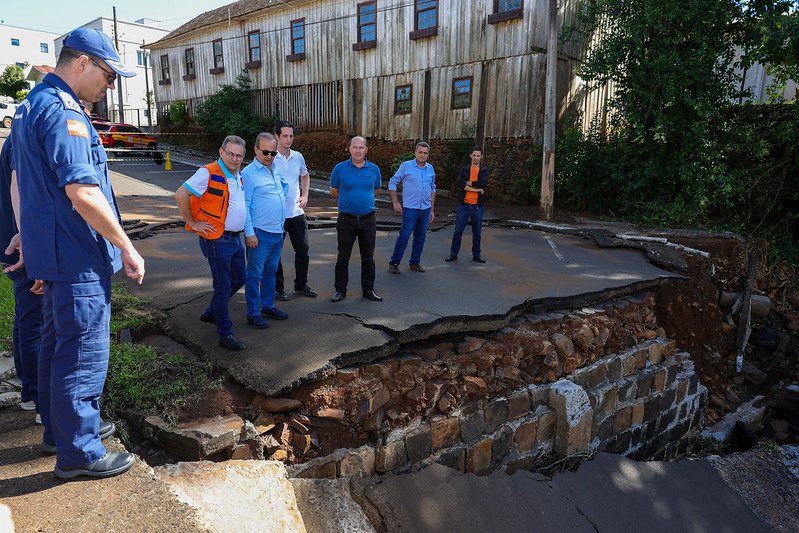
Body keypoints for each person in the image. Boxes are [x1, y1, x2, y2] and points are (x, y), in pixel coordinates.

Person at [7, 27, 144, 479]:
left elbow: (26, 183)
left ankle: (58, 431)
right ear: (83, 62)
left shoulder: (31, 106)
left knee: (55, 346)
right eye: (109, 76)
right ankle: (80, 452)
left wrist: (27, 236)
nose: (110, 86)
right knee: (81, 354)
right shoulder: (64, 112)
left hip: (54, 252)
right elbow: (82, 193)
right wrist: (126, 245)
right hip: (77, 256)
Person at [175, 136, 248, 351]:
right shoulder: (207, 172)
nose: (235, 159)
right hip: (217, 239)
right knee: (223, 287)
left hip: (234, 238)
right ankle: (225, 333)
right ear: (221, 152)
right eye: (231, 154)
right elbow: (180, 195)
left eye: (239, 155)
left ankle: (211, 313)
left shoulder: (237, 175)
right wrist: (193, 223)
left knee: (239, 278)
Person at [0, 134, 43, 422]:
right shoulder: (22, 140)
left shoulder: (15, 138)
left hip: (15, 244)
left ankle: (29, 392)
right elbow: (21, 193)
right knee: (35, 324)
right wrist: (28, 242)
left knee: (25, 321)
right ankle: (40, 399)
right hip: (23, 248)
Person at [242, 133, 289, 328]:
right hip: (259, 233)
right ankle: (253, 312)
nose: (269, 156)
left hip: (277, 232)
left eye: (273, 153)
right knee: (255, 275)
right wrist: (249, 232)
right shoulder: (249, 173)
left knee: (271, 272)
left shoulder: (275, 169)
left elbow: (284, 188)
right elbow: (244, 205)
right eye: (266, 152)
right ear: (255, 150)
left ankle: (268, 306)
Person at [329, 136, 383, 302]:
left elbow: (376, 190)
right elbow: (334, 191)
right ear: (349, 149)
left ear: (366, 150)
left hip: (368, 220)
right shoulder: (339, 168)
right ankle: (340, 290)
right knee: (343, 256)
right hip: (346, 220)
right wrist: (350, 200)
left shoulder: (374, 169)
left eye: (361, 148)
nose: (358, 151)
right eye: (355, 147)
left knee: (368, 257)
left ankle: (368, 290)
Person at [273, 121, 317, 301]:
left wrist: (305, 195)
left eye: (291, 136)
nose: (289, 139)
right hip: (277, 215)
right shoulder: (269, 157)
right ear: (276, 136)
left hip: (297, 213)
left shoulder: (298, 157)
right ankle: (278, 288)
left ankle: (301, 284)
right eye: (285, 136)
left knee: (303, 251)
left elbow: (305, 175)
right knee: (276, 253)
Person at [388, 141, 436, 273]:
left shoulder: (430, 169)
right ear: (415, 153)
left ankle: (415, 262)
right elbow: (392, 182)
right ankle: (394, 263)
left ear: (428, 155)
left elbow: (432, 188)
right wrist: (395, 202)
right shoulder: (406, 166)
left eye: (425, 153)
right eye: (420, 152)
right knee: (404, 236)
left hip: (425, 209)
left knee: (421, 237)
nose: (422, 155)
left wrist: (432, 209)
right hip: (410, 209)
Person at [446, 147, 488, 263]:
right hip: (464, 205)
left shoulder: (483, 170)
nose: (476, 158)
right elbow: (459, 183)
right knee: (458, 231)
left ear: (481, 157)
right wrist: (476, 190)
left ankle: (476, 255)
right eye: (474, 155)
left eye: (478, 156)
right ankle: (453, 253)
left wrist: (467, 183)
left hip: (477, 206)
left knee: (477, 233)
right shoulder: (464, 169)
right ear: (470, 155)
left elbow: (482, 183)